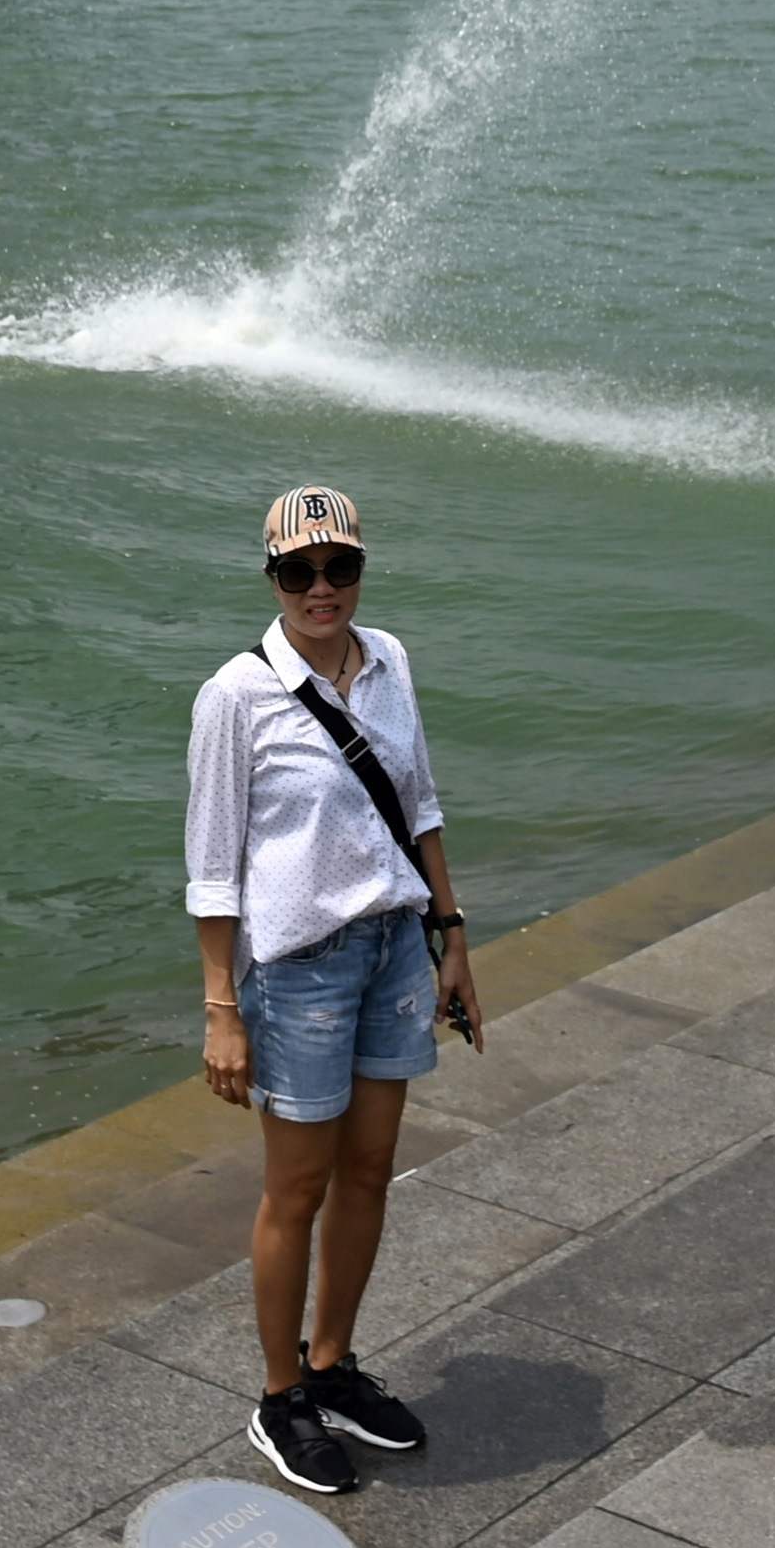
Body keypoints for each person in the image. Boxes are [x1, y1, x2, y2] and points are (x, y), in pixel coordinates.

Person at [185, 484, 477, 1496]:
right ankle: (280, 1397)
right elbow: (212, 864)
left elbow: (421, 802)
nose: (322, 588)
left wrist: (451, 936)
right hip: (299, 965)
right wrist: (222, 1008)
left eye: (339, 567)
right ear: (270, 578)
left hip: (396, 946)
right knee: (296, 1185)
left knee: (370, 1166)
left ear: (360, 570)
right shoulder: (236, 693)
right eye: (299, 572)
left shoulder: (389, 658)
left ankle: (333, 1362)